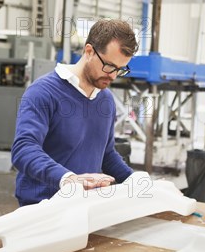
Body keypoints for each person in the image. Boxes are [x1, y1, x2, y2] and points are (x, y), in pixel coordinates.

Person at [11, 19, 138, 206]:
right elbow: (24, 149)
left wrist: (135, 180)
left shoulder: (105, 100)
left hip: (84, 206)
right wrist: (67, 179)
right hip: (42, 206)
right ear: (89, 51)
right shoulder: (43, 92)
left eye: (119, 70)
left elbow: (106, 153)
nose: (112, 76)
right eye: (109, 66)